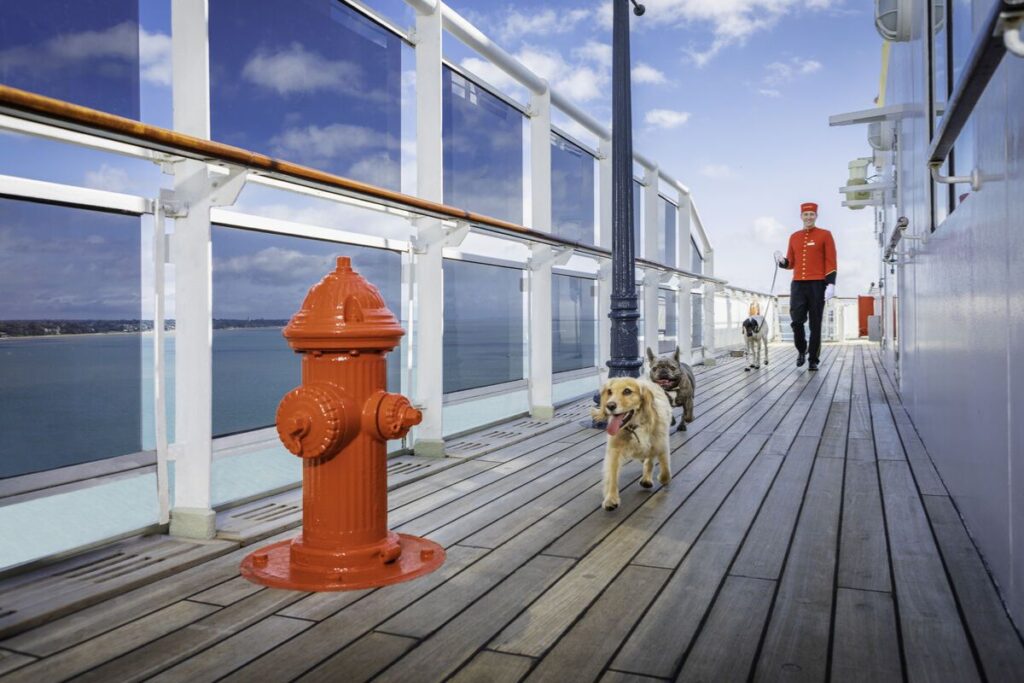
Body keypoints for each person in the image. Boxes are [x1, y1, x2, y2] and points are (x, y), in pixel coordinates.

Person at [774, 202, 836, 371]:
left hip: (817, 284)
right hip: (798, 285)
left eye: (811, 214)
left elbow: (831, 260)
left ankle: (813, 359)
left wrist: (831, 283)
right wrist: (782, 261)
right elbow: (791, 263)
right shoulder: (794, 236)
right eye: (805, 214)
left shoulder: (825, 235)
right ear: (801, 216)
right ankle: (802, 349)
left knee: (815, 323)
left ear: (816, 216)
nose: (808, 217)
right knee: (796, 321)